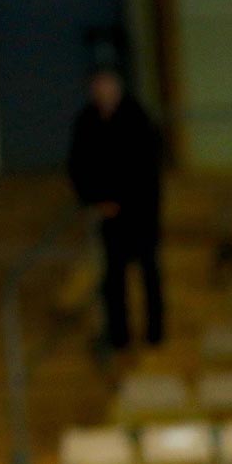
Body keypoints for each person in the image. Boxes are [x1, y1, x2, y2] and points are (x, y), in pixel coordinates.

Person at [67, 66, 166, 351]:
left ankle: (155, 333)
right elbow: (78, 165)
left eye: (107, 87)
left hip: (141, 211)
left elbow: (145, 167)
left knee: (149, 272)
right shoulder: (87, 121)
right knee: (114, 277)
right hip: (107, 214)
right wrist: (95, 199)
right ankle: (119, 334)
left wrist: (121, 200)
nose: (103, 94)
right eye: (98, 89)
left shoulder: (137, 119)